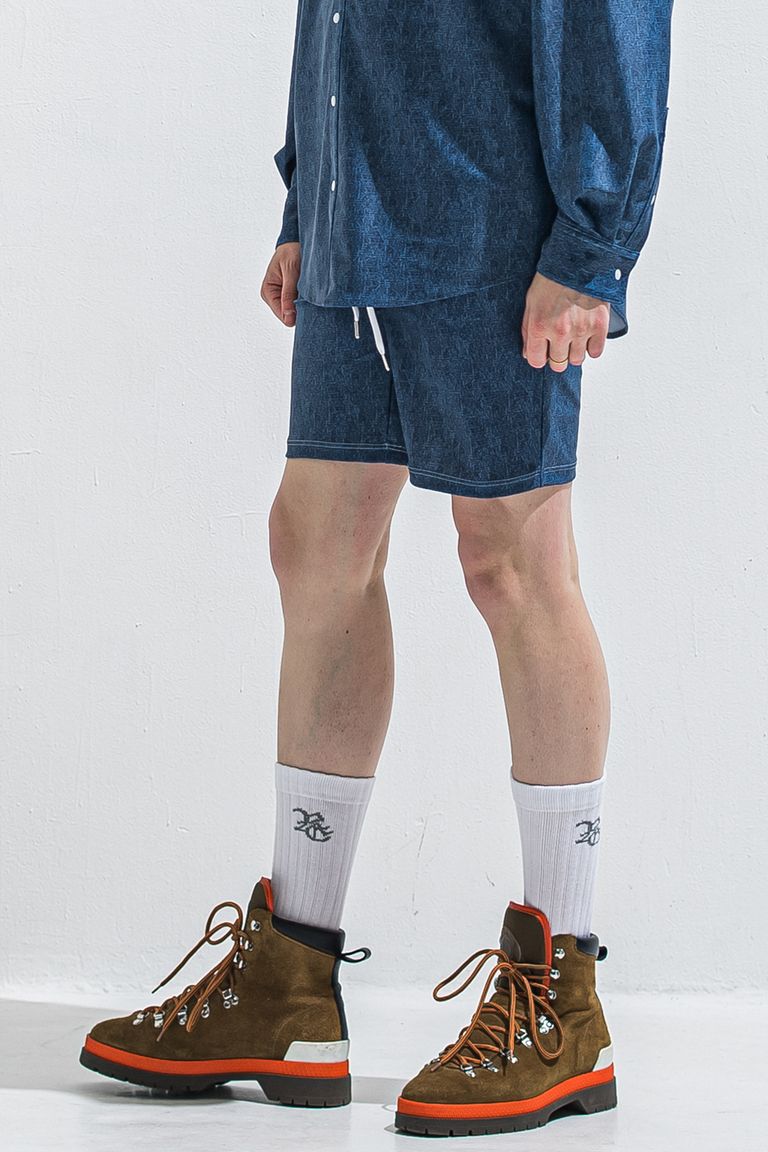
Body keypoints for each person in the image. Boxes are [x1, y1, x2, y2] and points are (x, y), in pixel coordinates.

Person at [79, 0, 674, 1136]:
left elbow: (613, 20)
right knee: (316, 543)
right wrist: (309, 197)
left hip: (497, 219)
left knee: (513, 562)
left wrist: (593, 248)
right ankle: (291, 981)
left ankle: (564, 998)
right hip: (358, 218)